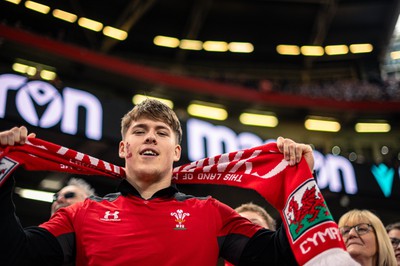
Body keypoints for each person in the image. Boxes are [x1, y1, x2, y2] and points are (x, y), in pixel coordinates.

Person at [0, 98, 331, 265]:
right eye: (140, 131)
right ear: (123, 147)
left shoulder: (213, 213)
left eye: (161, 133)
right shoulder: (81, 215)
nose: (150, 138)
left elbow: (280, 259)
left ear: (176, 151)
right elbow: (17, 255)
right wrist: (3, 171)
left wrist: (294, 190)